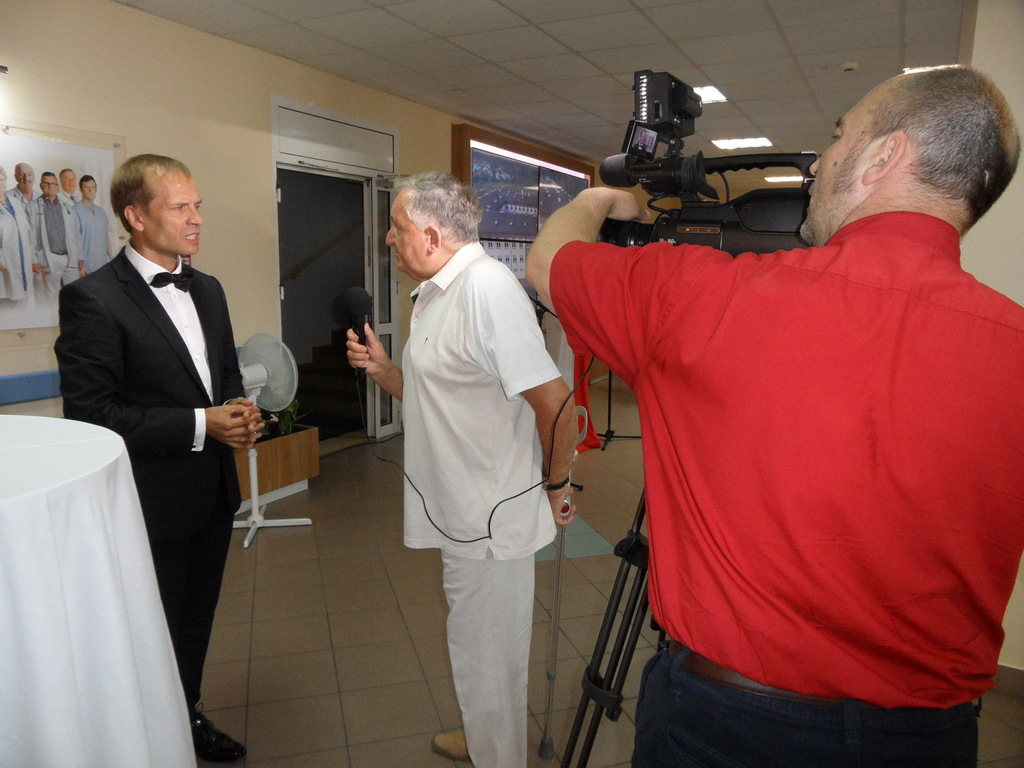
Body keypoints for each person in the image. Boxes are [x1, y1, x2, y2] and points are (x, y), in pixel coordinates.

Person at [526, 66, 1022, 768]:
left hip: (723, 729)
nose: (818, 163)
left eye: (840, 136)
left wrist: (597, 199)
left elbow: (551, 263)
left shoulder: (703, 297)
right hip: (931, 741)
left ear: (886, 156)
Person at [346, 171, 578, 768]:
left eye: (396, 228)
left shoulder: (486, 289)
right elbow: (438, 397)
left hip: (490, 519)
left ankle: (498, 755)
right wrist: (383, 370)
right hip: (458, 509)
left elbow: (557, 404)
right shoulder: (436, 293)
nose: (389, 240)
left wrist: (556, 487)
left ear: (430, 235)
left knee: (492, 657)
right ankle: (482, 739)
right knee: (473, 646)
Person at [55, 154, 259, 763]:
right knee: (149, 629)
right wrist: (202, 424)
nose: (196, 219)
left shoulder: (210, 289)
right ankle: (141, 739)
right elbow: (92, 415)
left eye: (198, 205)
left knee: (195, 622)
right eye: (179, 207)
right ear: (135, 217)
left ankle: (184, 716)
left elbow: (223, 377)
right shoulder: (92, 299)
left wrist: (238, 413)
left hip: (213, 494)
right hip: (148, 503)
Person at [35, 170, 84, 290]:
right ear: (41, 185)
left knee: (74, 292)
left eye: (53, 183)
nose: (50, 186)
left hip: (69, 257)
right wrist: (34, 260)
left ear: (57, 186)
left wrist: (80, 257)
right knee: (53, 294)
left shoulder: (67, 207)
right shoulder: (33, 207)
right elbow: (30, 236)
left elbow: (76, 234)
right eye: (46, 183)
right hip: (50, 258)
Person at [0, 166, 33, 304]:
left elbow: (26, 231)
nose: (0, 183)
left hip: (22, 263)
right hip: (3, 267)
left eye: (1, 179)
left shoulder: (14, 202)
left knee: (21, 303)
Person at [74, 174, 114, 273]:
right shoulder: (75, 210)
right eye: (86, 187)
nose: (90, 190)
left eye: (92, 187)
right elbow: (74, 241)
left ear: (96, 189)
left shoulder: (101, 212)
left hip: (103, 264)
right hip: (85, 266)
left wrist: (112, 258)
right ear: (81, 189)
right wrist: (80, 267)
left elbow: (106, 236)